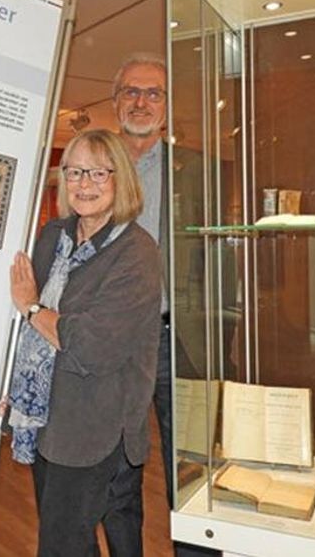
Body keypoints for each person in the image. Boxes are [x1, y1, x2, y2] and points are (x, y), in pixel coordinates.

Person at [7, 129, 161, 556]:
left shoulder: (137, 253)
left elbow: (92, 347)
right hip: (45, 417)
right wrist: (14, 390)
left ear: (121, 179)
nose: (84, 184)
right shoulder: (53, 236)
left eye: (98, 172)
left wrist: (33, 308)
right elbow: (27, 336)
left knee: (62, 546)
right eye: (74, 172)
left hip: (93, 428)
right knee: (65, 540)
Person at [113, 53, 215, 557]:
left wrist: (223, 336)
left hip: (177, 338)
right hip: (112, 341)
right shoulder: (94, 163)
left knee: (191, 468)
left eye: (154, 93)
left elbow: (216, 261)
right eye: (132, 91)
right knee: (116, 472)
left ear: (168, 107)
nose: (142, 101)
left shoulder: (197, 171)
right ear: (116, 102)